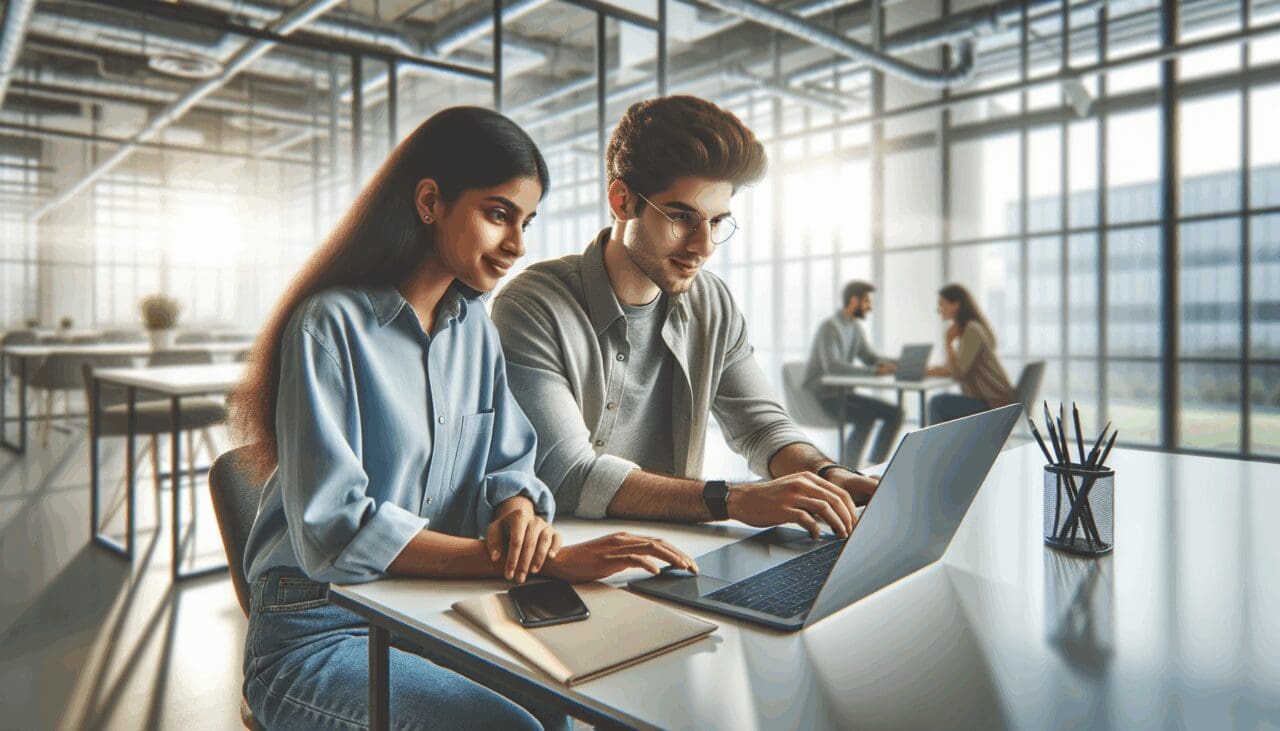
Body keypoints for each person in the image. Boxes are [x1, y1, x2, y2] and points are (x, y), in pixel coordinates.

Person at [229, 107, 696, 731]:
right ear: (430, 202)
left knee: (565, 705)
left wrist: (517, 512)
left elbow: (509, 463)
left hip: (429, 607)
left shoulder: (474, 327)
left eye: (526, 222)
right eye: (498, 214)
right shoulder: (329, 325)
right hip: (318, 629)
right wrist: (542, 562)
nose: (517, 245)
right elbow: (336, 533)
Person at [490, 95, 879, 543]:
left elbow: (761, 427)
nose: (703, 246)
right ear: (622, 201)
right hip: (570, 557)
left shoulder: (712, 302)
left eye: (716, 222)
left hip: (677, 551)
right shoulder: (532, 306)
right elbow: (568, 473)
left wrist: (828, 473)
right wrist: (734, 500)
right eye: (681, 218)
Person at [803, 280, 904, 467]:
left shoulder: (854, 328)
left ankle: (875, 465)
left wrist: (900, 363)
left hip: (844, 393)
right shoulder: (830, 327)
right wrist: (874, 371)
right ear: (854, 301)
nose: (870, 307)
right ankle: (847, 468)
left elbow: (870, 357)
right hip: (824, 396)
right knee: (865, 417)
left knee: (895, 413)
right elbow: (833, 366)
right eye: (867, 301)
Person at [925, 283, 1015, 423]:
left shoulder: (972, 330)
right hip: (992, 399)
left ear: (956, 305)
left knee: (937, 404)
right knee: (940, 404)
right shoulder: (971, 329)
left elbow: (958, 373)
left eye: (942, 304)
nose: (938, 310)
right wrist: (926, 371)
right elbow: (952, 367)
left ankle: (939, 439)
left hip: (994, 402)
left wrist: (948, 341)